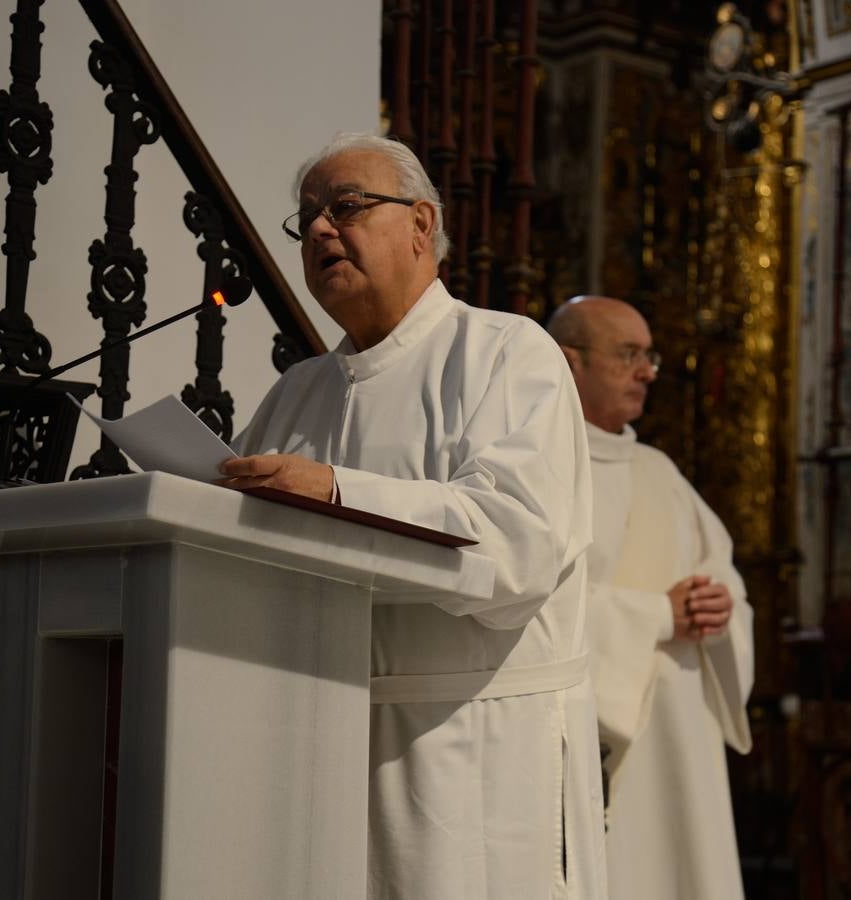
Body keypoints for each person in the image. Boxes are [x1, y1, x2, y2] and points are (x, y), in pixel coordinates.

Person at [220, 133, 607, 899]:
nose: (322, 230)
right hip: (319, 742)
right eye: (307, 220)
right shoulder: (297, 391)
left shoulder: (506, 351)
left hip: (471, 750)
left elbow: (516, 543)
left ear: (422, 226)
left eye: (348, 206)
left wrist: (336, 491)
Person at [548, 296, 754, 900]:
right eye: (629, 355)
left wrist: (721, 609)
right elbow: (531, 602)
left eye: (650, 357)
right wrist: (657, 615)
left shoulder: (658, 470)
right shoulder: (540, 461)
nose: (648, 372)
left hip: (677, 736)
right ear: (569, 361)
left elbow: (725, 581)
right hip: (585, 734)